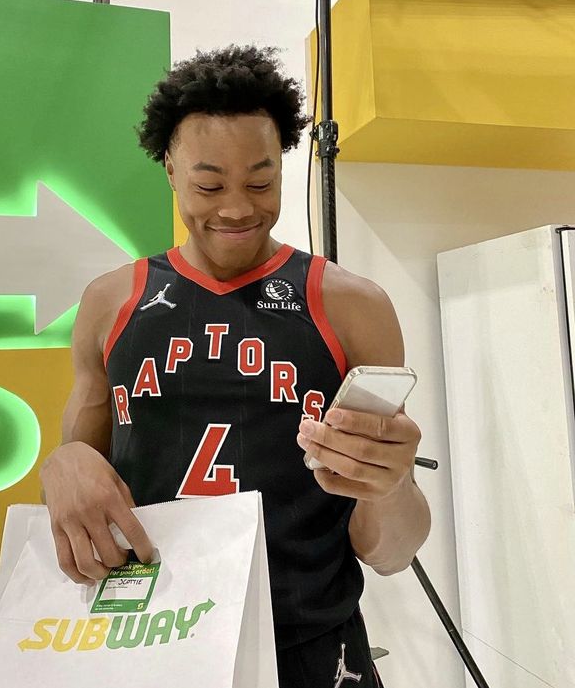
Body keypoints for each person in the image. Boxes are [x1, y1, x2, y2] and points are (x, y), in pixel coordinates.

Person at [40, 44, 431, 687]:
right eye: (209, 184)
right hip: (153, 637)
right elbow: (82, 490)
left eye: (260, 180)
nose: (236, 208)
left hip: (309, 643)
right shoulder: (113, 301)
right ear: (169, 169)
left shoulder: (352, 306)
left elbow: (393, 551)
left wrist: (388, 485)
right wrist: (61, 465)